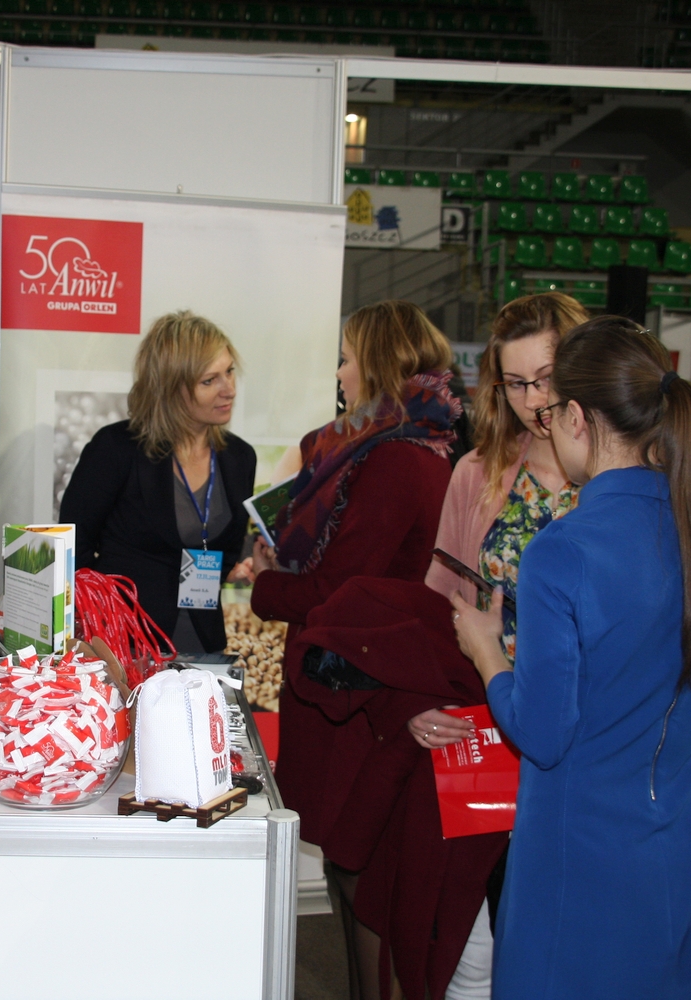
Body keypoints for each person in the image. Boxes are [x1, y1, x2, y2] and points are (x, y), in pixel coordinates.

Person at [451, 317, 691, 1000]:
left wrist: (486, 651)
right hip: (687, 844)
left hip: (580, 857)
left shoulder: (565, 550)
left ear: (575, 418)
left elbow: (542, 734)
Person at [251, 299, 463, 1000]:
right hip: (368, 688)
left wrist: (266, 587)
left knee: (363, 874)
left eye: (345, 358)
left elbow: (339, 592)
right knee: (361, 874)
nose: (339, 373)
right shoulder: (408, 448)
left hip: (361, 696)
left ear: (375, 363)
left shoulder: (392, 459)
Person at [422, 291, 589, 999]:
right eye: (516, 383)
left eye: (546, 379)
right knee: (479, 946)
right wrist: (423, 700)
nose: (533, 401)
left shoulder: (624, 480)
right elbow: (439, 605)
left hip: (591, 743)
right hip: (492, 729)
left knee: (575, 949)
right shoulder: (477, 472)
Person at [60, 310, 256, 655]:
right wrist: (98, 626)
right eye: (209, 381)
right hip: (124, 646)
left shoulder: (239, 457)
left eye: (229, 372)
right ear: (170, 387)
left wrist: (239, 566)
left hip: (203, 644)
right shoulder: (117, 448)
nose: (229, 390)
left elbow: (218, 549)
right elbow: (73, 549)